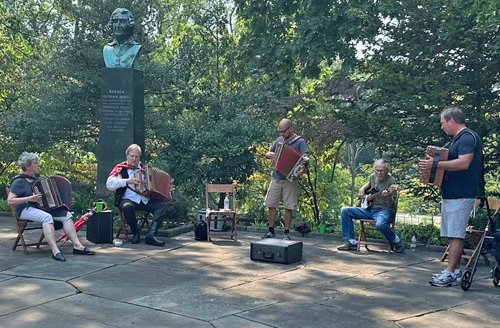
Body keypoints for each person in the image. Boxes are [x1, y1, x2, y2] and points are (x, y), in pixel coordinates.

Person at [420, 107, 484, 287]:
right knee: (451, 233)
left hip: (462, 194)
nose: (442, 128)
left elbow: (464, 163)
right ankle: (453, 269)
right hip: (452, 193)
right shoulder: (458, 139)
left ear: (451, 121)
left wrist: (436, 164)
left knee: (456, 234)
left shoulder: (467, 138)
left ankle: (450, 273)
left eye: (442, 123)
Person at [7, 152, 95, 262]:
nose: (39, 165)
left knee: (66, 215)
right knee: (47, 217)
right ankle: (55, 251)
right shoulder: (19, 181)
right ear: (27, 166)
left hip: (40, 208)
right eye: (36, 163)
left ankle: (78, 246)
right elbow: (10, 201)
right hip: (24, 209)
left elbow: (46, 200)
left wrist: (65, 202)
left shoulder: (36, 180)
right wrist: (28, 198)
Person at [106, 144, 171, 246]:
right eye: (132, 156)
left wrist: (166, 189)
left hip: (144, 200)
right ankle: (136, 233)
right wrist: (127, 181)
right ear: (127, 156)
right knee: (128, 207)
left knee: (162, 205)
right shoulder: (121, 168)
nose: (134, 159)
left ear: (139, 157)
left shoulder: (146, 170)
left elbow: (154, 187)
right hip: (126, 200)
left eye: (136, 156)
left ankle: (151, 235)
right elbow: (109, 184)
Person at [337, 159, 404, 253]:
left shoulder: (392, 181)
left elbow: (391, 204)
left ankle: (396, 241)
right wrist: (362, 189)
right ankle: (351, 242)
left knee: (380, 224)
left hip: (385, 211)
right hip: (370, 209)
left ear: (387, 171)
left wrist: (388, 196)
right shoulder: (373, 177)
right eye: (377, 170)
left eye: (382, 171)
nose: (379, 173)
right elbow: (368, 185)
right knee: (345, 210)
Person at [262, 119, 308, 241]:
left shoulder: (300, 142)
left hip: (290, 179)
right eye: (280, 131)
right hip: (276, 177)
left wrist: (300, 172)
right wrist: (268, 155)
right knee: (271, 204)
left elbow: (305, 160)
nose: (281, 134)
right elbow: (268, 153)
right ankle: (270, 231)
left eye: (283, 131)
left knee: (289, 206)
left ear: (290, 129)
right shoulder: (279, 141)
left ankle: (286, 233)